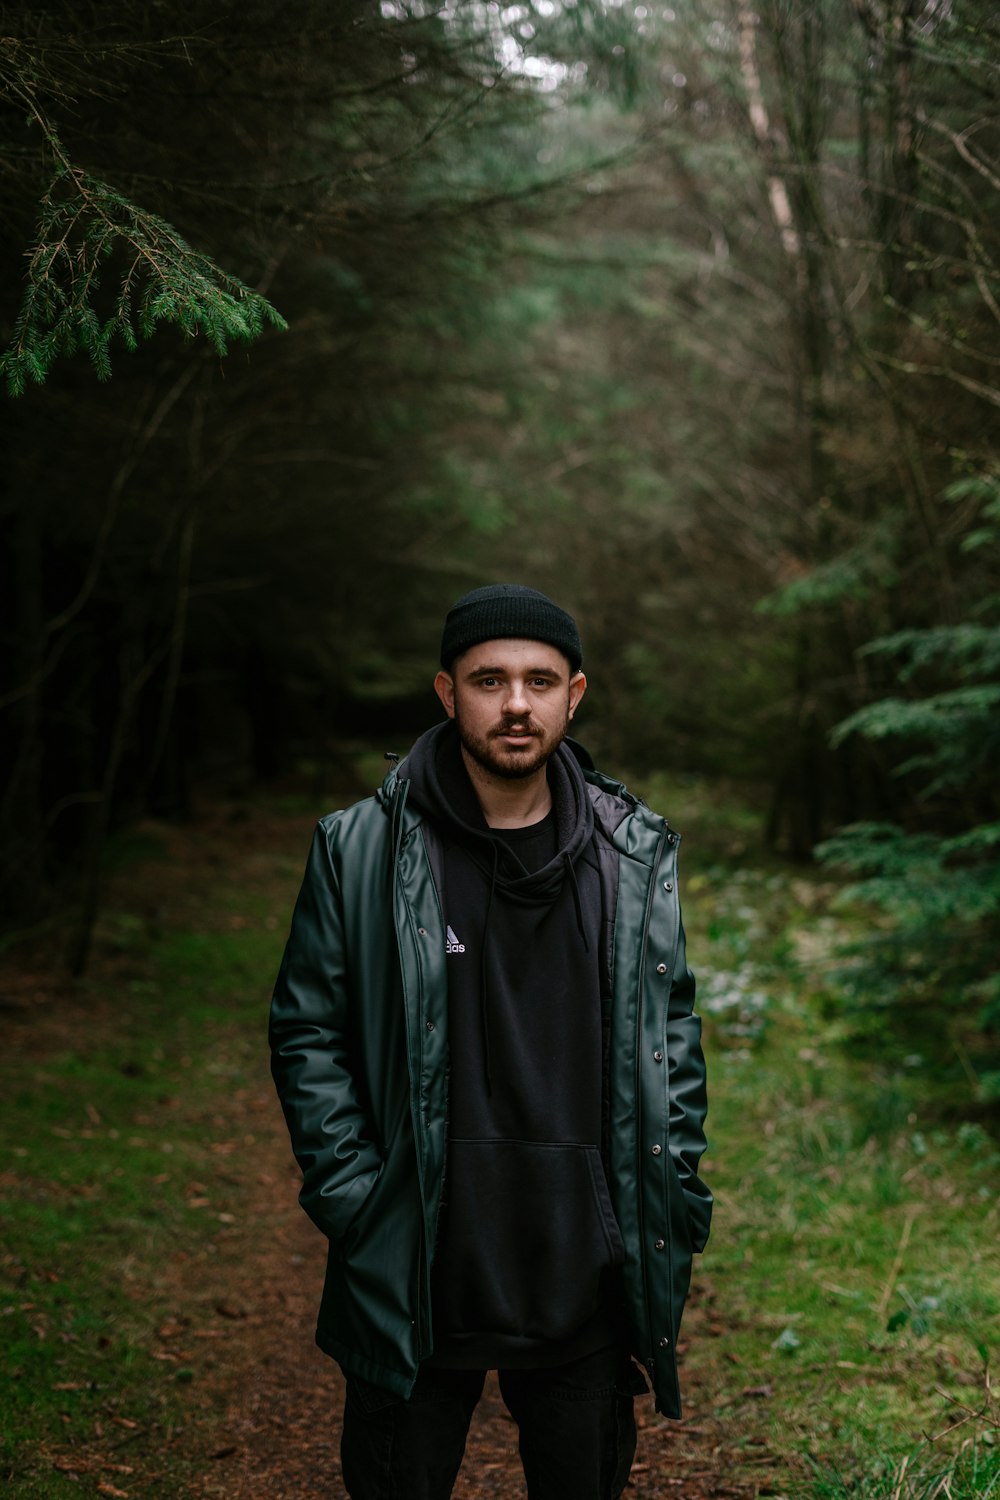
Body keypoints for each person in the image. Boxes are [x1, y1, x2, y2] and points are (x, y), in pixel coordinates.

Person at [269, 583, 711, 1500]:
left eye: (539, 680)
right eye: (489, 680)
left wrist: (677, 1193)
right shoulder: (361, 850)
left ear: (574, 694)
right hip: (418, 1267)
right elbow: (308, 1029)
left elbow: (673, 1030)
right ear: (446, 692)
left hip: (584, 1278)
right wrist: (357, 1198)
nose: (516, 704)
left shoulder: (631, 855)